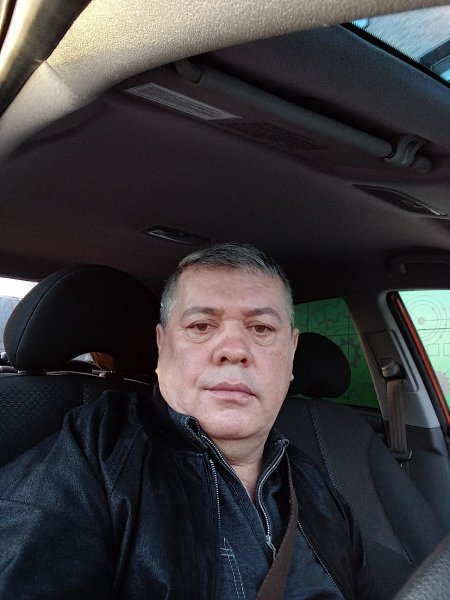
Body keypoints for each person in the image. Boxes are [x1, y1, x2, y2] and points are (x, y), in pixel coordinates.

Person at [0, 243, 376, 599]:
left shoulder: (318, 490)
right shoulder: (95, 452)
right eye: (201, 326)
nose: (234, 350)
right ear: (162, 346)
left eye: (261, 329)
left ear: (291, 353)